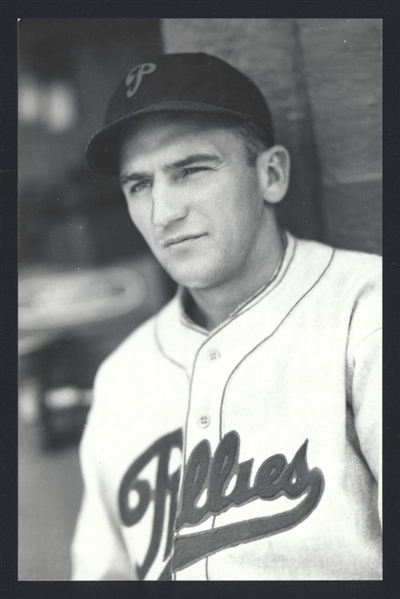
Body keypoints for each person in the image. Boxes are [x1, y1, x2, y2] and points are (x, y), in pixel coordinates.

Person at [71, 53, 382, 581]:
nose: (163, 212)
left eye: (190, 170)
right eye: (139, 185)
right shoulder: (122, 378)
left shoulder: (366, 310)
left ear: (271, 174)